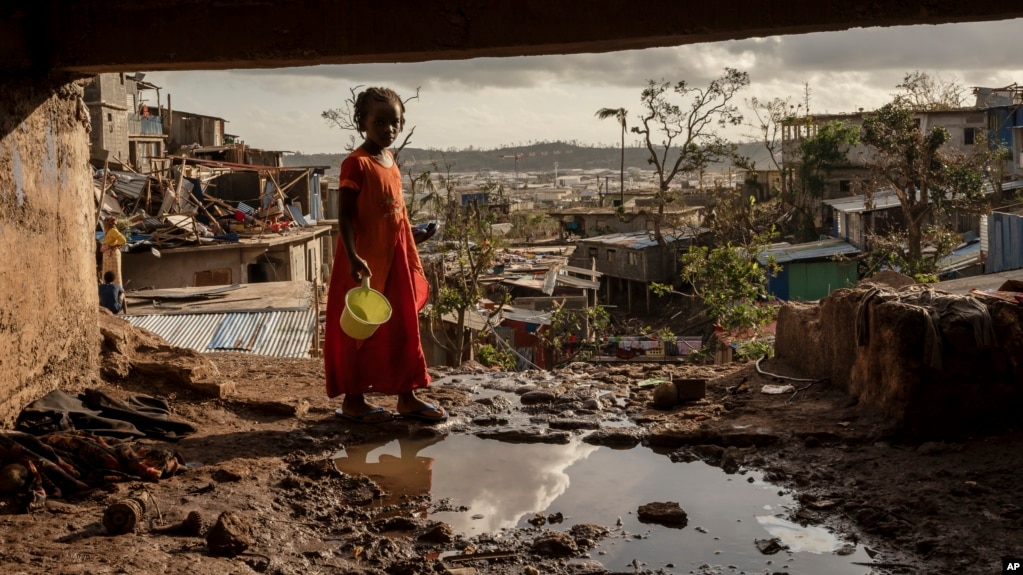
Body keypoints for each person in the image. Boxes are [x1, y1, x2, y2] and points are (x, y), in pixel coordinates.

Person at [323, 87, 447, 424]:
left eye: (394, 123)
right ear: (362, 122)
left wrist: (414, 237)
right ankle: (353, 401)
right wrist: (352, 256)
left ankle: (407, 397)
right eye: (379, 122)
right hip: (363, 264)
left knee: (403, 328)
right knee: (358, 333)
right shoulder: (356, 164)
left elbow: (394, 214)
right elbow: (345, 217)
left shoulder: (390, 161)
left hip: (394, 260)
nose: (388, 129)